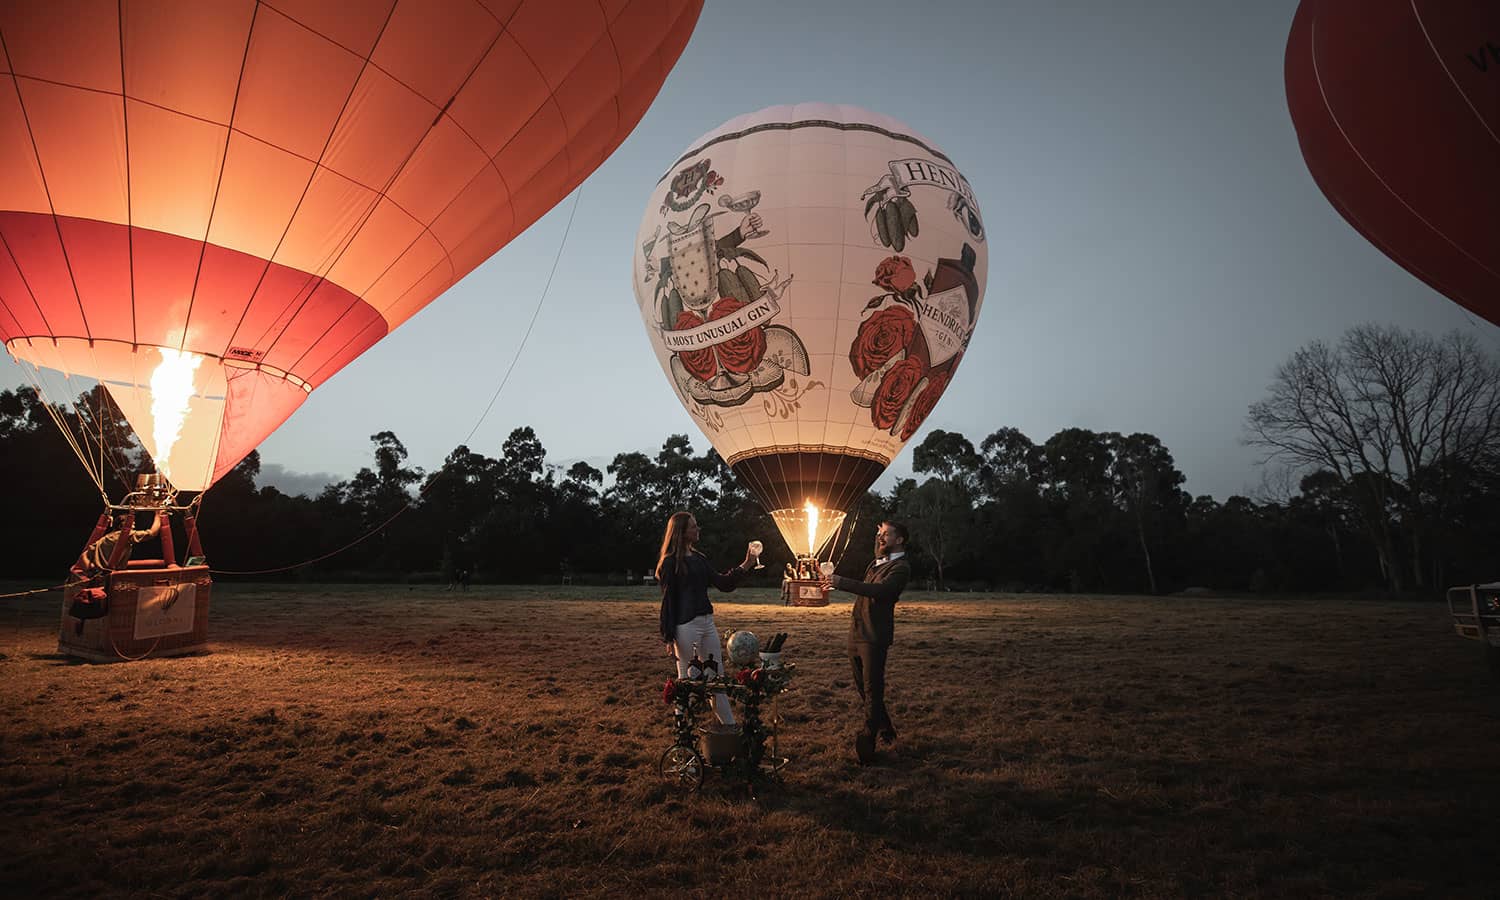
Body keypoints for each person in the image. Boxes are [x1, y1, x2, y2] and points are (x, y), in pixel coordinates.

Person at [821, 520, 911, 765]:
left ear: (900, 539)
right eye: (879, 533)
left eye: (886, 534)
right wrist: (878, 537)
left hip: (874, 635)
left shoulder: (900, 567)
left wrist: (840, 582)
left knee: (873, 688)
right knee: (863, 687)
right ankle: (887, 731)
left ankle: (868, 737)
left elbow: (879, 591)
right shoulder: (876, 563)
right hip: (857, 632)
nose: (881, 538)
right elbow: (877, 555)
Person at [656, 510, 758, 725]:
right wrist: (668, 637)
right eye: (693, 526)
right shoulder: (670, 563)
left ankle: (730, 729)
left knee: (716, 680)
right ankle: (682, 732)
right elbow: (668, 601)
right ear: (682, 533)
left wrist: (747, 564)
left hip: (707, 623)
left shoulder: (700, 559)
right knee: (687, 682)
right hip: (686, 627)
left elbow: (724, 584)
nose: (698, 529)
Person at [72, 510, 161, 581]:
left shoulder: (107, 537)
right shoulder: (125, 536)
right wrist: (158, 515)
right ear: (122, 525)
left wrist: (92, 569)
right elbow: (152, 533)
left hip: (96, 576)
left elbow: (84, 555)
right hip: (108, 579)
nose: (134, 524)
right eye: (131, 522)